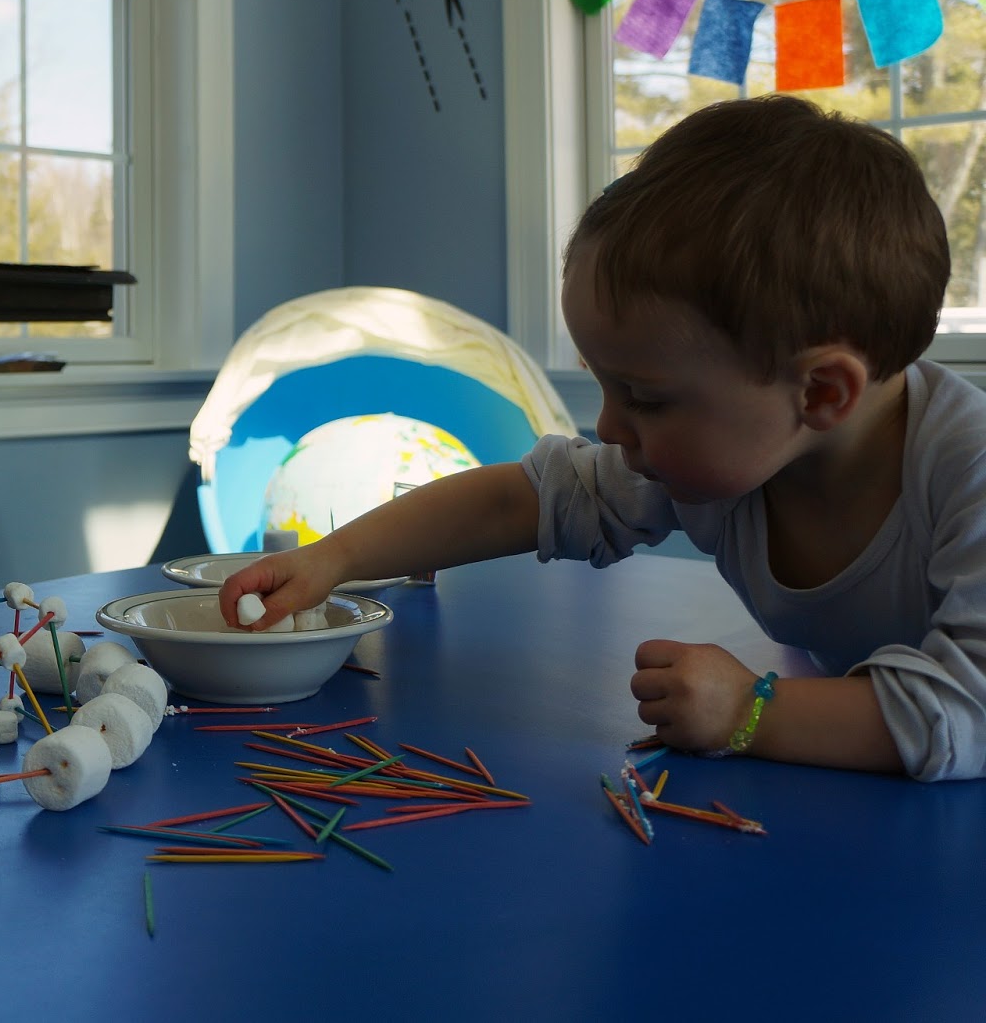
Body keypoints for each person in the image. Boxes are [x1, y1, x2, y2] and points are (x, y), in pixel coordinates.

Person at [221, 94, 986, 784]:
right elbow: (526, 497)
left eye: (645, 398)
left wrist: (752, 712)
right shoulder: (730, 451)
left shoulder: (968, 472)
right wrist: (332, 559)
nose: (610, 428)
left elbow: (969, 709)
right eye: (606, 384)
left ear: (821, 392)